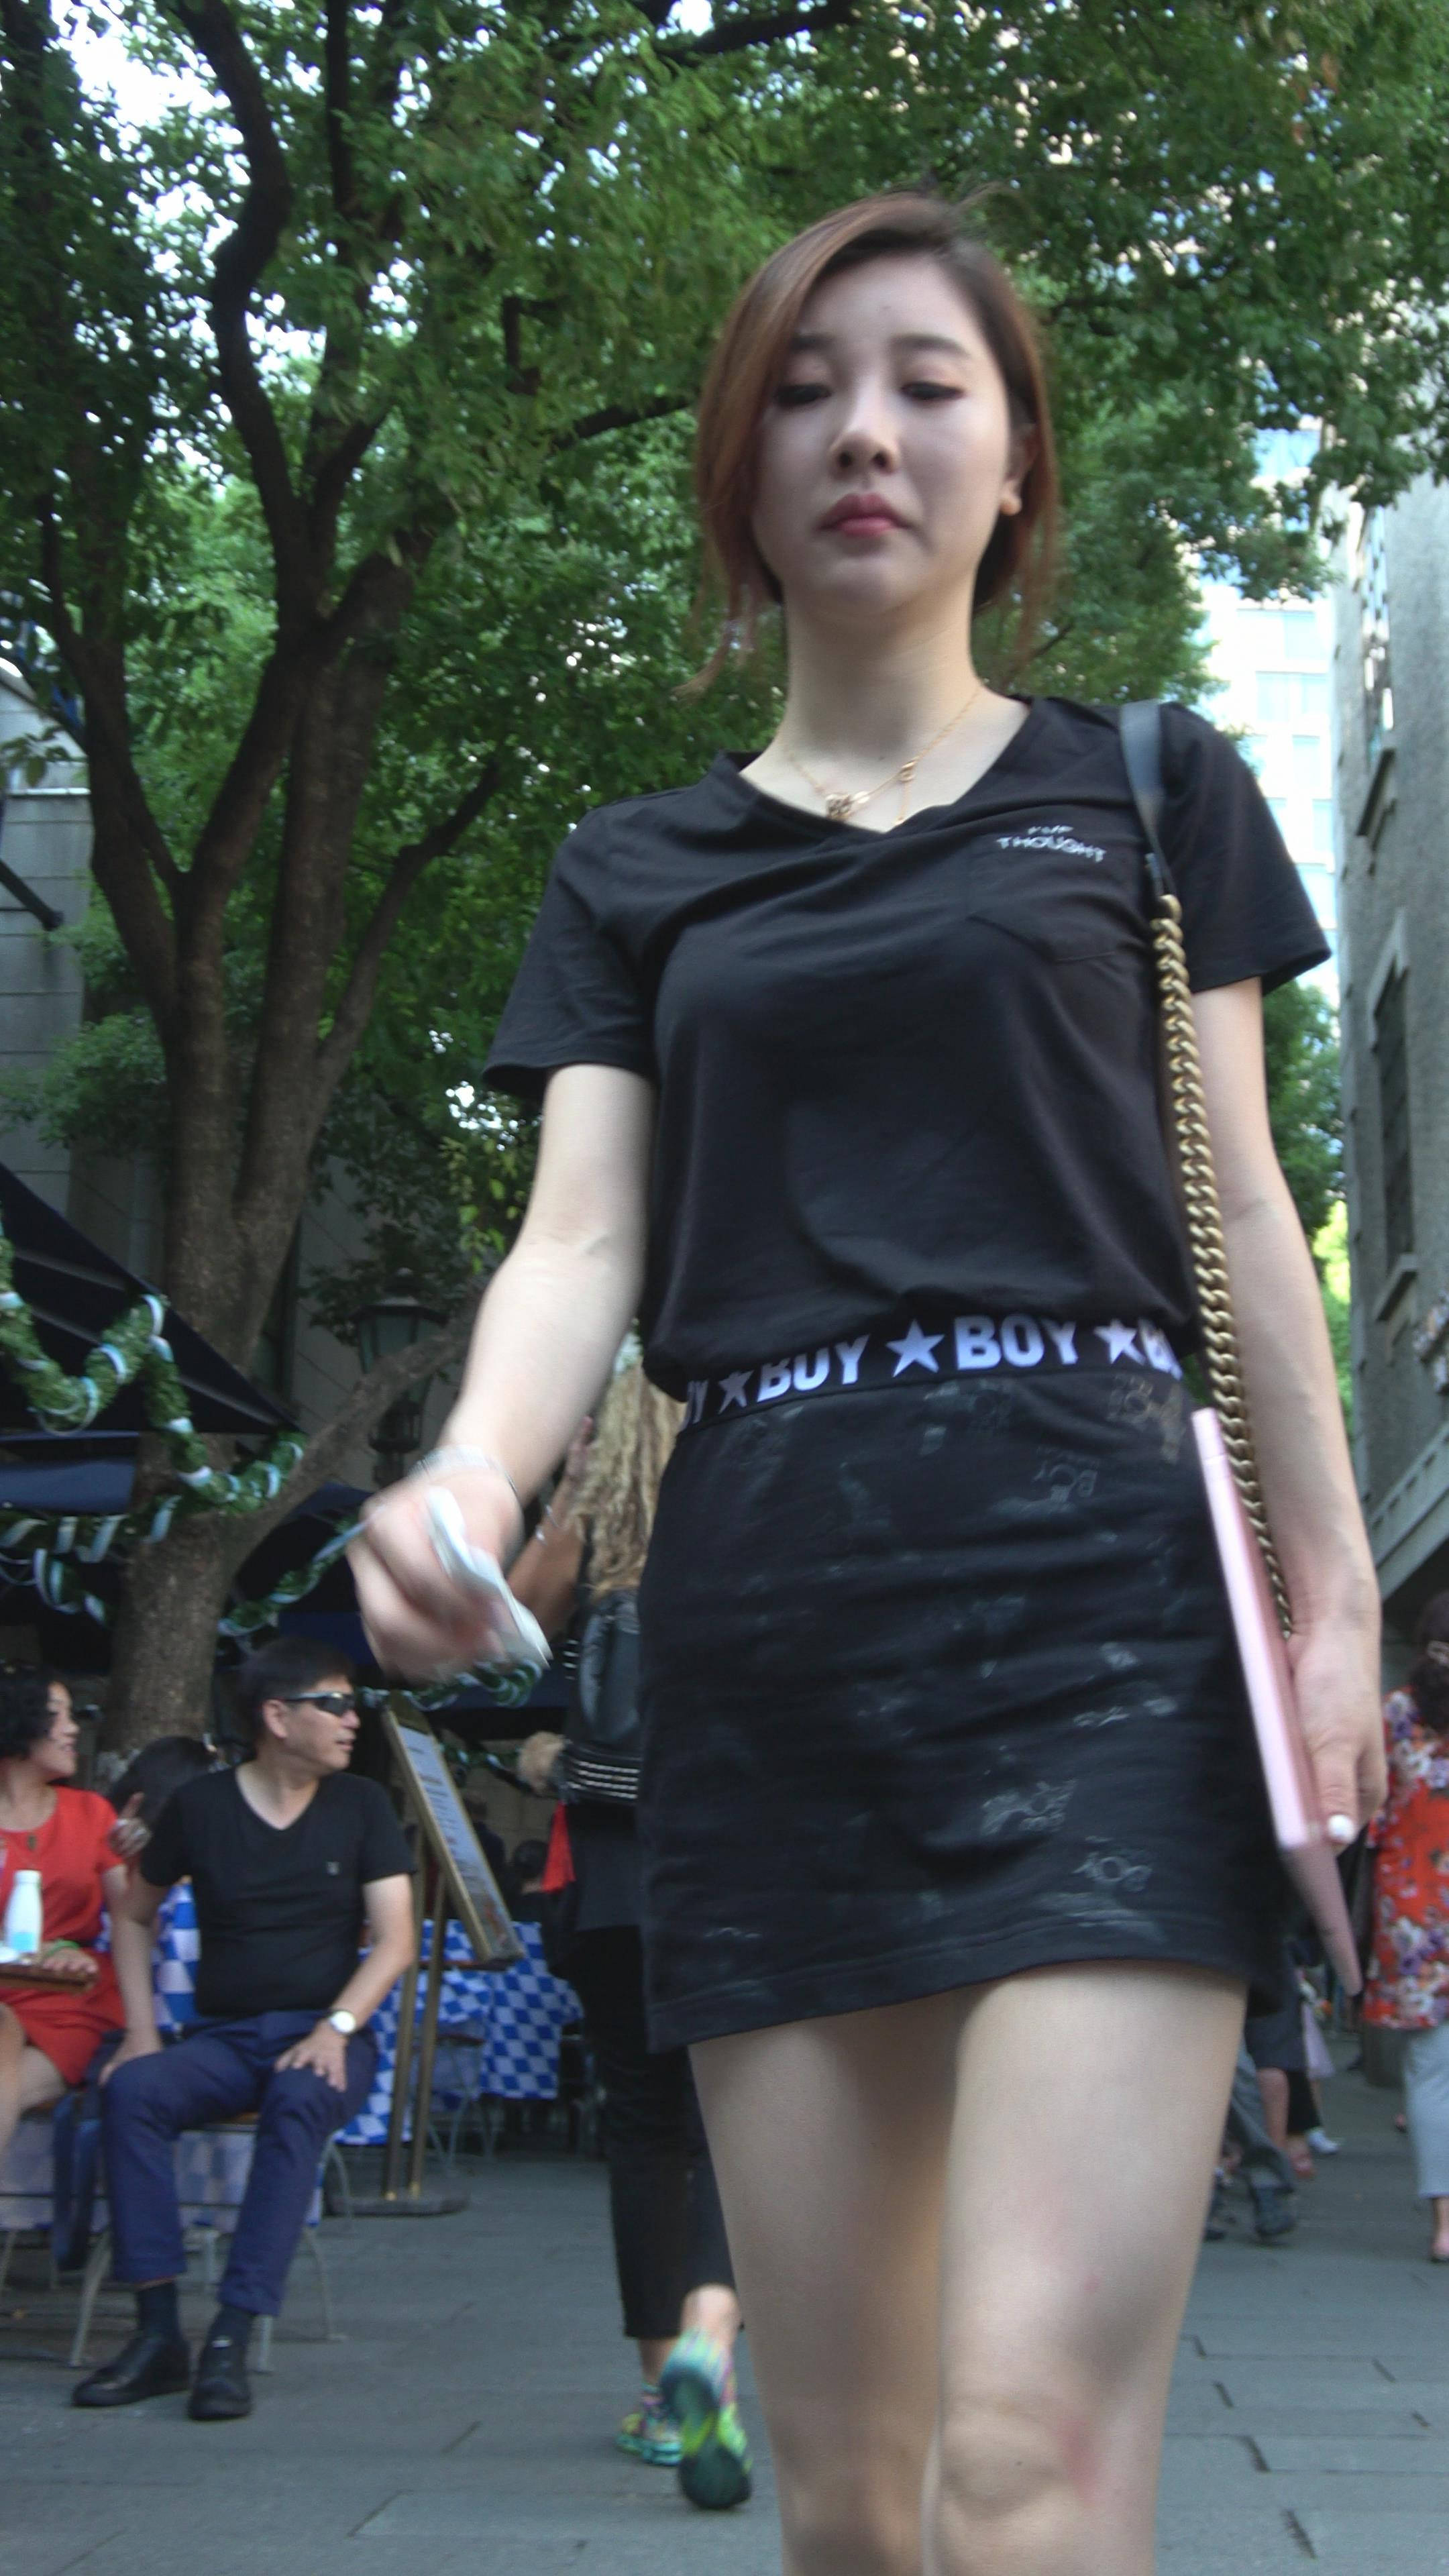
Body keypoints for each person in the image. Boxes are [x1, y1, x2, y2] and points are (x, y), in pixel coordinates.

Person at [347, 193, 1383, 2576]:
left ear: (1017, 462)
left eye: (928, 383)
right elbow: (578, 1240)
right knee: (852, 2503)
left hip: (1111, 1621)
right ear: (738, 465)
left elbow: (1243, 1214)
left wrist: (1330, 1600)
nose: (864, 432)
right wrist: (471, 1480)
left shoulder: (1148, 791)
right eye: (805, 390)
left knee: (1022, 2465)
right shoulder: (636, 871)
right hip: (776, 1638)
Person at [511, 1363, 749, 2510]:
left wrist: (569, 1487)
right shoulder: (755, 1513)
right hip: (743, 1864)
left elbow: (512, 1625)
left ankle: (662, 2397)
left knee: (645, 2129)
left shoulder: (597, 1540)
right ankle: (713, 2335)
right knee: (738, 2126)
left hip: (610, 1868)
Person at [73, 1639, 415, 2419]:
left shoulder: (362, 1805)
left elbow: (396, 1941)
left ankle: (231, 2333)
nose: (352, 1720)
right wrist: (141, 2033)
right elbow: (134, 1915)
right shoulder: (201, 1806)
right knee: (134, 2091)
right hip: (224, 2037)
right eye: (335, 1704)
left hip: (327, 2033)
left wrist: (335, 2028)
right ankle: (158, 2331)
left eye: (353, 1705)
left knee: (298, 2098)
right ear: (277, 1716)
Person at [1, 1669, 127, 2165]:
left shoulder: (92, 1813)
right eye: (59, 1716)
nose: (74, 1729)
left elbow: (137, 1919)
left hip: (70, 1999)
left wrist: (144, 1863)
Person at [1363, 1592, 1449, 2261]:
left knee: (1430, 2070)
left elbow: (1371, 1810)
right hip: (1417, 1901)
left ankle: (1445, 2222)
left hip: (1415, 1907)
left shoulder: (1396, 1713)